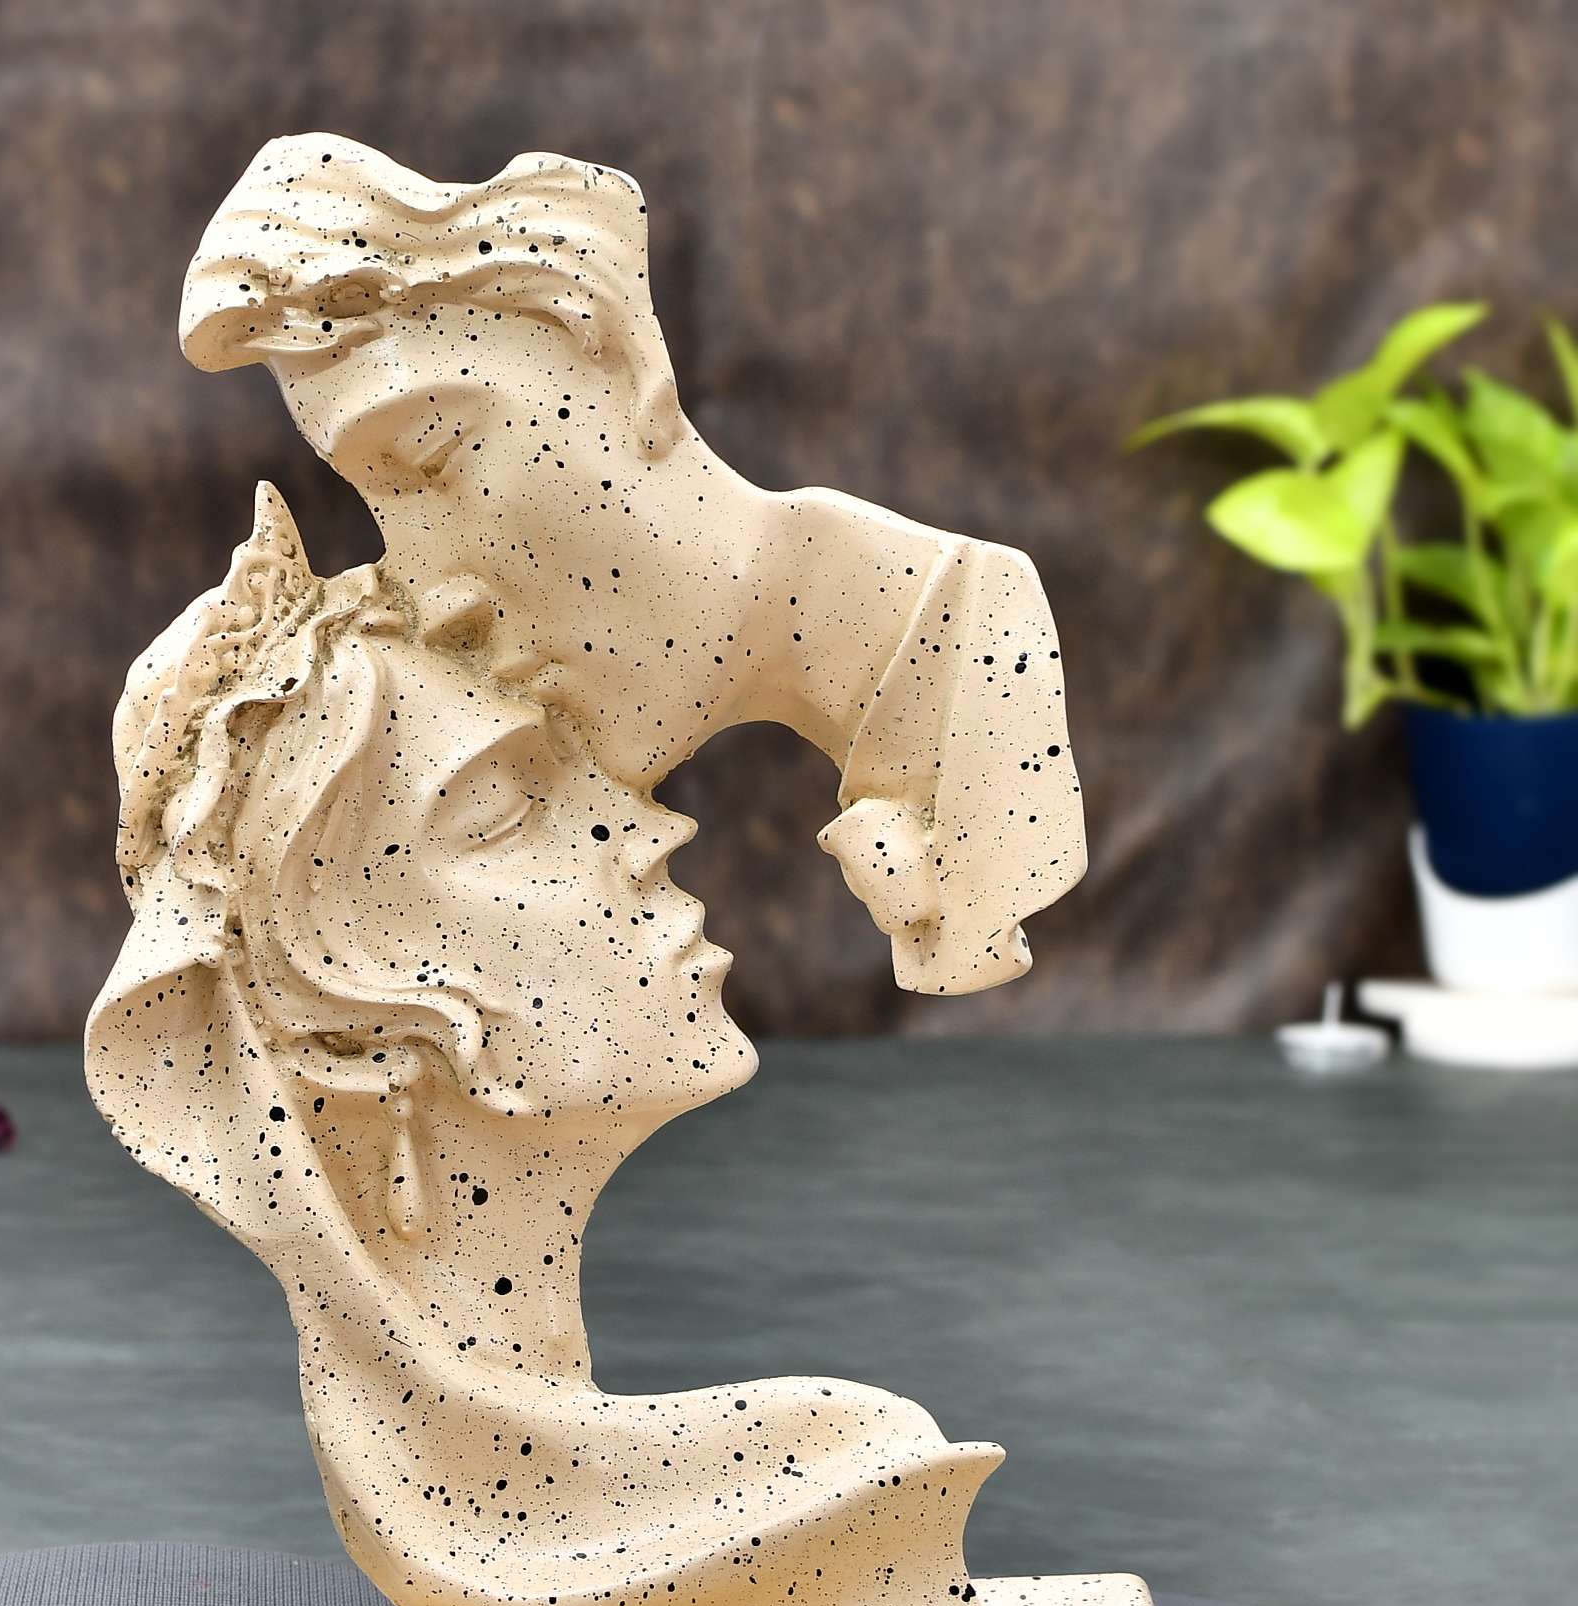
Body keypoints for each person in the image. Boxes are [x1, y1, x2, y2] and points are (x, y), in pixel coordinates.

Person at [87, 485, 1016, 1606]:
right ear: (346, 1016)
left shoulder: (828, 1457)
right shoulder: (797, 1481)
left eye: (579, 772)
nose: (648, 825)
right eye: (504, 808)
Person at [176, 133, 1086, 996]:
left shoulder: (986, 694)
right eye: (378, 510)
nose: (426, 597)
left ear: (621, 353)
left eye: (430, 453)